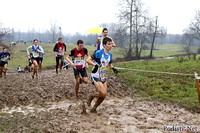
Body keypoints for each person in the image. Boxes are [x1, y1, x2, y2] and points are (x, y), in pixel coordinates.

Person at [87, 37, 118, 113]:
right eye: (108, 44)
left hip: (103, 77)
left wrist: (113, 68)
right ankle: (91, 96)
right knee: (103, 93)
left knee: (103, 96)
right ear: (104, 45)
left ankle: (94, 108)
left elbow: (109, 64)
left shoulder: (110, 54)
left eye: (111, 44)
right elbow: (88, 60)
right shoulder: (98, 53)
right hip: (96, 75)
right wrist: (94, 64)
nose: (110, 46)